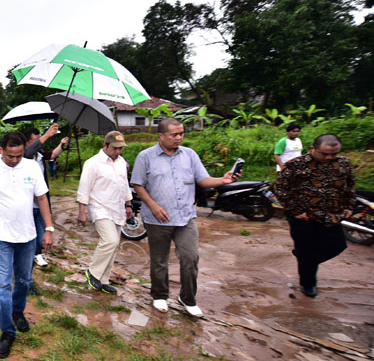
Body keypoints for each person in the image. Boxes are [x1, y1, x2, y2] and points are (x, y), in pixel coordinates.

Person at [131, 118, 240, 317]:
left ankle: (187, 298)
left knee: (190, 257)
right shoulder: (145, 156)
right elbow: (137, 184)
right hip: (158, 218)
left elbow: (203, 180)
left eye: (181, 133)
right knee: (160, 259)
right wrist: (153, 206)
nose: (179, 137)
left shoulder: (189, 155)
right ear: (161, 135)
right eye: (174, 134)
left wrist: (223, 180)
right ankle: (160, 295)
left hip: (185, 216)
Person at [0, 132, 54, 359]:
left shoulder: (31, 167)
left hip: (27, 235)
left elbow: (42, 198)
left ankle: (18, 311)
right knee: (2, 285)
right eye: (10, 156)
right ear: (2, 150)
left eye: (19, 155)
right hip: (0, 236)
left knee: (23, 280)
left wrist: (49, 229)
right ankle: (7, 332)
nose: (15, 160)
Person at [274, 134, 355, 298]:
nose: (329, 158)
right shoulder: (296, 165)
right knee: (307, 250)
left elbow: (349, 185)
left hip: (331, 214)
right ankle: (308, 284)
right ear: (313, 149)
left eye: (334, 154)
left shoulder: (343, 163)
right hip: (304, 216)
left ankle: (304, 258)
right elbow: (280, 189)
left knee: (337, 246)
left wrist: (349, 205)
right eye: (324, 154)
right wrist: (295, 210)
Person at [76, 131, 133, 295]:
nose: (118, 152)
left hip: (117, 208)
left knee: (114, 246)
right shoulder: (93, 163)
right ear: (105, 146)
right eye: (115, 148)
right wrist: (82, 211)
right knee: (110, 240)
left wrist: (128, 205)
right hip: (99, 207)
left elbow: (124, 185)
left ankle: (103, 280)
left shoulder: (121, 162)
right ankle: (93, 272)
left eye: (120, 149)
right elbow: (84, 188)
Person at [24, 124, 68, 267]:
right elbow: (29, 151)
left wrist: (62, 144)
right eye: (35, 140)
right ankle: (30, 255)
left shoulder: (40, 154)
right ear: (27, 142)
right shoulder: (24, 155)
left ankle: (37, 253)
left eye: (39, 139)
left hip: (41, 198)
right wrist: (47, 134)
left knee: (42, 229)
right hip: (27, 201)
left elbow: (53, 155)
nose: (39, 142)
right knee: (30, 231)